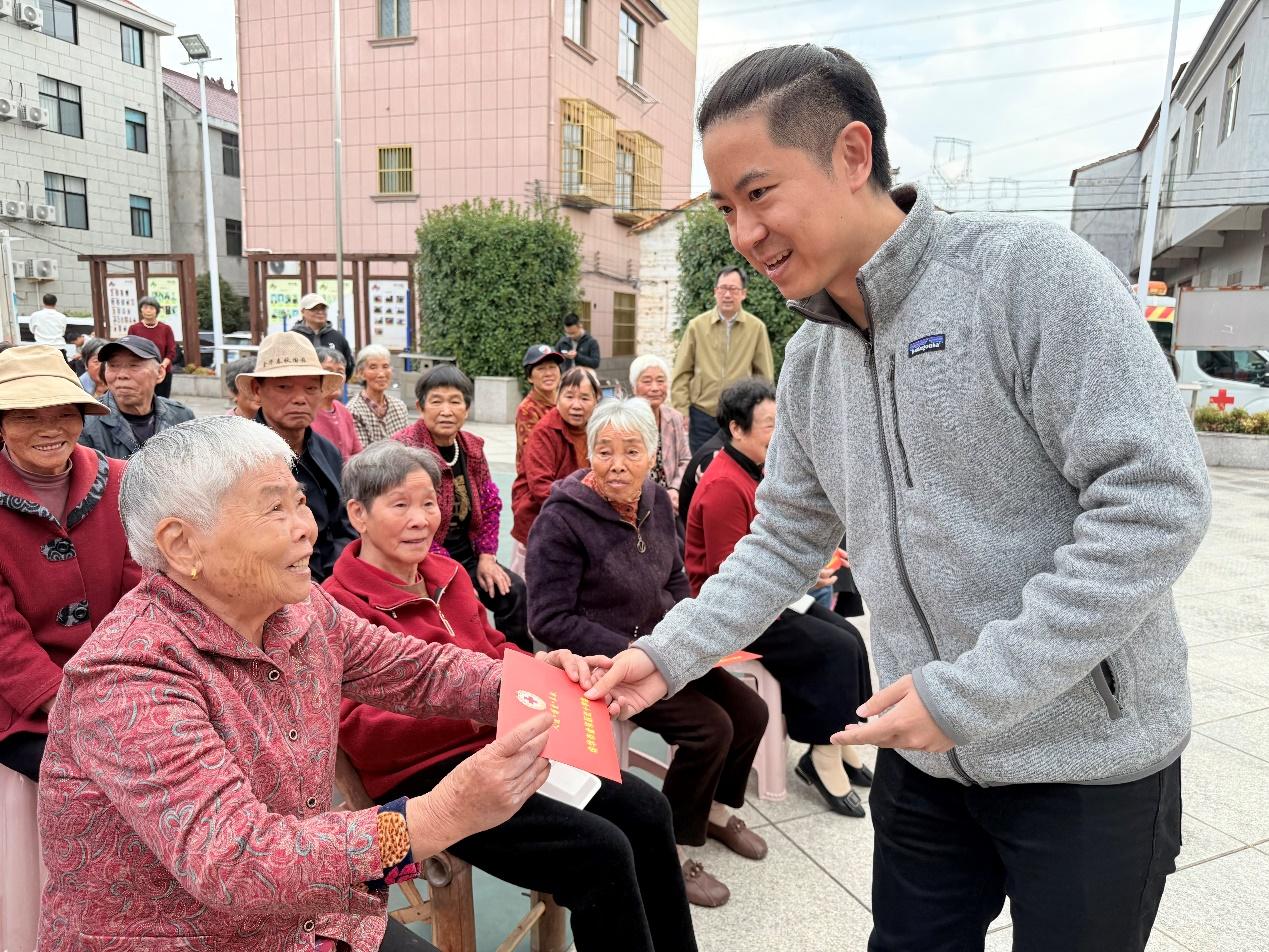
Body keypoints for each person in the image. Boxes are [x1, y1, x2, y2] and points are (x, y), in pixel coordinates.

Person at [588, 45, 1211, 952]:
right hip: (924, 754)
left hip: (1087, 759)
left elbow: (1154, 502)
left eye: (759, 194)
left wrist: (973, 692)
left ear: (851, 154)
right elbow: (783, 538)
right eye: (724, 208)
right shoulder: (812, 357)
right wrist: (665, 654)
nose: (744, 234)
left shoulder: (1025, 277)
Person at [36, 414, 599, 952]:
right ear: (182, 545)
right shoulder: (128, 677)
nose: (307, 527)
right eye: (274, 509)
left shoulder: (299, 611)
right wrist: (442, 814)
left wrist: (529, 684)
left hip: (308, 919)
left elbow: (418, 669)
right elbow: (237, 861)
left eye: (299, 500)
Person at [327, 442, 697, 952]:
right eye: (400, 505)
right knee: (601, 853)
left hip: (506, 744)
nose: (421, 519)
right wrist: (489, 704)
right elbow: (362, 731)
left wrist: (543, 668)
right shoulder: (339, 608)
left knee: (650, 811)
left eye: (429, 503)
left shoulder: (448, 575)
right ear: (358, 515)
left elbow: (495, 649)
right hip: (432, 780)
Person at [527, 398, 768, 909]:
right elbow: (547, 619)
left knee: (751, 711)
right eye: (604, 451)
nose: (617, 464)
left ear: (653, 456)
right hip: (608, 664)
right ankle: (671, 849)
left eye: (632, 451)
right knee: (710, 729)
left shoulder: (656, 500)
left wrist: (685, 634)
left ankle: (714, 811)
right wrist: (634, 651)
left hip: (664, 645)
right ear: (589, 454)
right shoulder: (562, 519)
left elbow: (675, 577)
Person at [685, 378, 874, 817]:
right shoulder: (722, 485)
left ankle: (844, 738)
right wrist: (802, 578)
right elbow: (729, 576)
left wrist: (809, 568)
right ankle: (822, 753)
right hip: (733, 612)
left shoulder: (753, 470)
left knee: (851, 637)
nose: (779, 433)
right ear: (737, 428)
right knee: (833, 648)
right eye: (769, 425)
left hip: (767, 599)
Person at [0, 345, 140, 782]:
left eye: (64, 413)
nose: (50, 429)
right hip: (24, 703)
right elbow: (4, 636)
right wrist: (65, 703)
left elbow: (142, 597)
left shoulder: (121, 481)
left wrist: (127, 690)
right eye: (26, 417)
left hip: (122, 683)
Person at [394, 365, 529, 651]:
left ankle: (521, 663)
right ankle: (481, 669)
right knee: (466, 607)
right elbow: (407, 520)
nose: (446, 410)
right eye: (436, 401)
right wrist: (454, 573)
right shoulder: (404, 452)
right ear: (420, 407)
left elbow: (490, 502)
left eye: (455, 401)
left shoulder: (471, 448)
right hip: (420, 556)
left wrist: (488, 557)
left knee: (513, 591)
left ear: (467, 409)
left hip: (469, 552)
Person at [241, 331, 356, 582]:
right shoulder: (241, 457)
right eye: (284, 387)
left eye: (311, 388)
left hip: (334, 578)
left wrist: (338, 578)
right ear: (257, 390)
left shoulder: (328, 451)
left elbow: (344, 526)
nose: (300, 399)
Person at [672, 267, 774, 451]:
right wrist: (681, 410)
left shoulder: (756, 328)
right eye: (723, 289)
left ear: (743, 293)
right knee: (702, 464)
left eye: (733, 289)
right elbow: (682, 372)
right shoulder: (696, 326)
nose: (727, 294)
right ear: (715, 292)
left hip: (740, 414)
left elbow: (764, 376)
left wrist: (761, 414)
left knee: (737, 464)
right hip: (701, 413)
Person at [510, 365, 600, 550]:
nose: (576, 405)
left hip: (583, 522)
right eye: (569, 397)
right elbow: (541, 487)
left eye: (585, 398)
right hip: (541, 521)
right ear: (558, 398)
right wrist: (583, 507)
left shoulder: (598, 429)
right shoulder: (545, 431)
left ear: (596, 401)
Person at [79, 335, 195, 459]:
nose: (122, 375)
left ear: (160, 373)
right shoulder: (84, 423)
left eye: (134, 365)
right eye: (113, 366)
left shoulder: (182, 417)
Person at [629, 354, 691, 512]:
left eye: (660, 381)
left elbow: (685, 459)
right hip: (636, 502)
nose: (655, 388)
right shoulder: (625, 421)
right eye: (647, 381)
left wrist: (674, 489)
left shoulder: (675, 418)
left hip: (671, 501)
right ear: (634, 387)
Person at [347, 344, 409, 447]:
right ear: (361, 373)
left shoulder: (400, 407)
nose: (381, 374)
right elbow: (362, 454)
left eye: (385, 366)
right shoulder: (354, 411)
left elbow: (408, 445)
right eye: (373, 367)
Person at [311, 346, 365, 460]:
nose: (336, 377)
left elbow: (357, 455)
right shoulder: (306, 412)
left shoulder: (343, 411)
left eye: (340, 372)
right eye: (328, 371)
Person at [516, 343, 564, 464]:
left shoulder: (566, 402)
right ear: (530, 377)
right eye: (541, 369)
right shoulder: (527, 410)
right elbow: (532, 454)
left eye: (552, 367)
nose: (548, 373)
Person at [127, 294, 178, 398]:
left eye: (151, 308)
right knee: (143, 400)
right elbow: (130, 350)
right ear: (141, 310)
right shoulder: (134, 329)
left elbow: (171, 351)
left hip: (162, 372)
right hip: (141, 372)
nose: (148, 311)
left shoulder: (166, 329)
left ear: (157, 310)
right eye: (145, 307)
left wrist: (162, 366)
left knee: (162, 401)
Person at [292, 291, 355, 371]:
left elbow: (348, 366)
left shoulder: (337, 337)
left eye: (323, 308)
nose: (320, 312)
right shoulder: (292, 337)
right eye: (314, 309)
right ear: (303, 311)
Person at [27, 293, 70, 358]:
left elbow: (32, 330)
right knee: (60, 365)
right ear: (55, 303)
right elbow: (63, 332)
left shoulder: (35, 315)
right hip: (58, 348)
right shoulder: (62, 317)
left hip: (41, 348)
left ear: (43, 303)